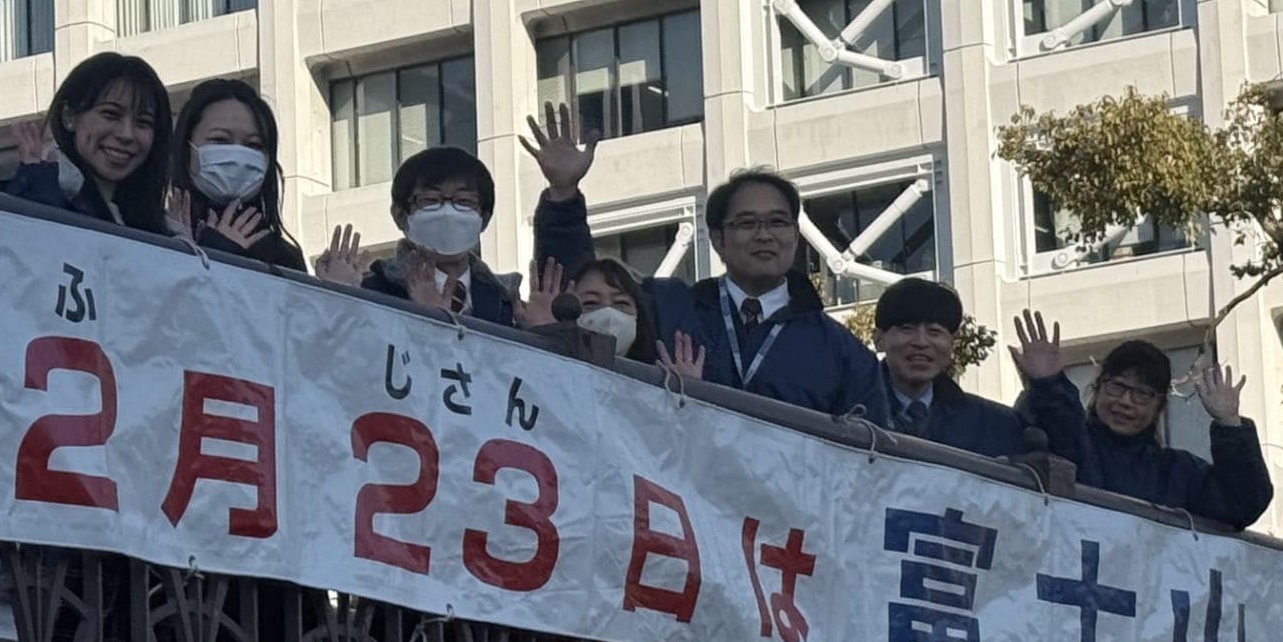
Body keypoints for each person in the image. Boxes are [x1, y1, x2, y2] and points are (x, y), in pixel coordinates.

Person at [523, 107, 889, 421]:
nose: (764, 235)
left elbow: (873, 461)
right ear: (717, 239)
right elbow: (573, 287)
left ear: (795, 235)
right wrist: (563, 195)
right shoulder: (667, 305)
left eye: (778, 222)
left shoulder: (841, 351)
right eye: (747, 223)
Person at [1017, 323, 1274, 528]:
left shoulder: (1177, 473)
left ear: (1158, 409)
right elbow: (1057, 423)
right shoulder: (1072, 441)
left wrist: (1229, 424)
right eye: (1117, 386)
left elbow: (1242, 505)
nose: (1126, 401)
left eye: (1142, 394)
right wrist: (1048, 383)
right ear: (1098, 389)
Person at [0, 52, 171, 233]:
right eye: (111, 114)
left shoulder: (158, 226)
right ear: (69, 116)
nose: (126, 134)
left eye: (143, 122)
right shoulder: (21, 194)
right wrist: (35, 188)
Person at [871, 277, 1031, 460]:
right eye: (907, 329)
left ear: (952, 344)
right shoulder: (847, 411)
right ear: (878, 340)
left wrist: (1046, 383)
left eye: (934, 332)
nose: (921, 342)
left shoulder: (992, 423)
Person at [361, 146, 520, 324]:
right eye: (430, 200)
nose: (448, 213)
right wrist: (334, 294)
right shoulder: (368, 293)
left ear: (485, 218)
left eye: (464, 201)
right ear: (400, 215)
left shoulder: (508, 302)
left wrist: (544, 329)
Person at [163, 78, 306, 270]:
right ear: (186, 149)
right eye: (220, 140)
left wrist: (333, 290)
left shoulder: (284, 255)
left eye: (253, 145)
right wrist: (214, 251)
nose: (238, 155)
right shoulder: (155, 232)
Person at [518, 255, 707, 376]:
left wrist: (686, 397)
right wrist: (545, 337)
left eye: (621, 303)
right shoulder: (548, 370)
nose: (608, 313)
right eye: (590, 303)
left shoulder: (659, 384)